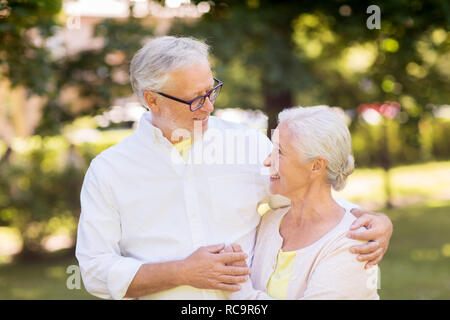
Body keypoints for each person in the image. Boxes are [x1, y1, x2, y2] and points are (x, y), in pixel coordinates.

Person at [75, 36, 393, 300]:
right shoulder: (109, 171)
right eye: (195, 100)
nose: (210, 107)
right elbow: (94, 270)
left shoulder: (246, 144)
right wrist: (181, 271)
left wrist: (371, 221)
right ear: (153, 100)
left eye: (211, 91)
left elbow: (305, 196)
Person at [228, 106, 380, 300]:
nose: (267, 161)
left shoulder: (352, 244)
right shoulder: (269, 221)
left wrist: (238, 288)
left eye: (279, 152)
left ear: (316, 165)